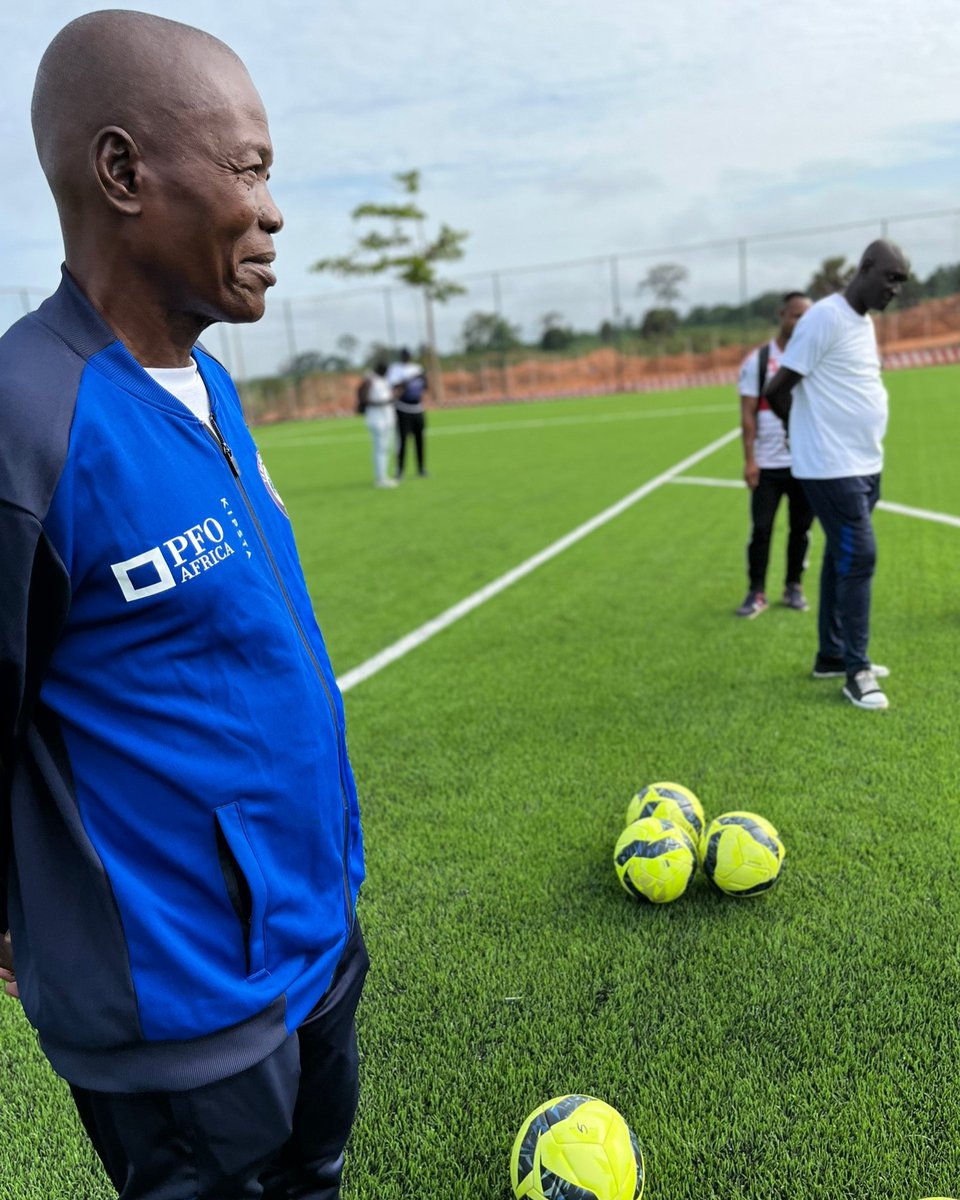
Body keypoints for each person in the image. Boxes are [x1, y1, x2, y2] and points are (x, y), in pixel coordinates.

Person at [0, 12, 367, 1199]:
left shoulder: (206, 377)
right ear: (122, 173)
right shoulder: (25, 421)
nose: (271, 209)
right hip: (176, 1007)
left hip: (311, 938)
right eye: (248, 167)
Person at [765, 239, 910, 711]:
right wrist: (798, 435)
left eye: (901, 282)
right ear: (865, 268)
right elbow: (778, 388)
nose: (895, 289)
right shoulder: (824, 318)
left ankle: (832, 654)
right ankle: (856, 670)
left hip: (865, 462)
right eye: (891, 277)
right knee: (860, 555)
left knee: (840, 557)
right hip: (831, 467)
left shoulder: (862, 322)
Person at [735, 292, 815, 618]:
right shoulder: (759, 360)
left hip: (806, 462)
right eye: (795, 316)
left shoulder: (814, 356)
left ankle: (793, 586)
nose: (800, 323)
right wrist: (750, 460)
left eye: (807, 317)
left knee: (801, 529)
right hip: (768, 464)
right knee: (762, 530)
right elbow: (747, 414)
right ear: (782, 315)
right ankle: (756, 592)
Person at [387, 347, 429, 478]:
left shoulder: (417, 368)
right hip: (403, 408)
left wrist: (423, 377)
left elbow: (425, 385)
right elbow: (394, 386)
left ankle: (421, 468)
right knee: (402, 441)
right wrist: (410, 379)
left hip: (417, 408)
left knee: (420, 439)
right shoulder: (395, 369)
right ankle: (400, 470)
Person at [360, 360, 398, 488]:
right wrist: (383, 402)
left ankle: (384, 476)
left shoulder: (384, 380)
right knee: (380, 449)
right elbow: (364, 399)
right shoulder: (371, 380)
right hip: (377, 420)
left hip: (387, 419)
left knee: (386, 448)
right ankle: (380, 478)